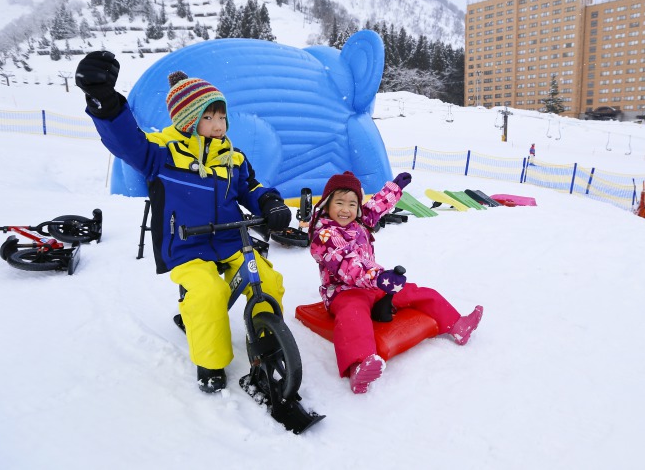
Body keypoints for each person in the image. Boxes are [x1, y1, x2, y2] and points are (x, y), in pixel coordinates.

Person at [74, 51, 292, 393]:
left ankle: (267, 338)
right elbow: (125, 141)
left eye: (222, 115)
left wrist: (270, 201)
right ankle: (210, 362)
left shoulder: (233, 157)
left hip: (231, 239)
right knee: (208, 293)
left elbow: (251, 187)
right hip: (186, 242)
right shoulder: (161, 154)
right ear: (190, 120)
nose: (219, 124)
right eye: (210, 116)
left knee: (265, 278)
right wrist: (104, 100)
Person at [308, 170, 483, 394]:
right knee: (353, 315)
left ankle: (457, 325)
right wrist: (379, 278)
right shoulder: (325, 236)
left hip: (373, 284)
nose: (346, 209)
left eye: (352, 204)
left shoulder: (359, 222)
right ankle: (359, 366)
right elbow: (347, 266)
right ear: (326, 205)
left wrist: (395, 189)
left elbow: (375, 207)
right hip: (343, 291)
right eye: (339, 202)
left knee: (415, 292)